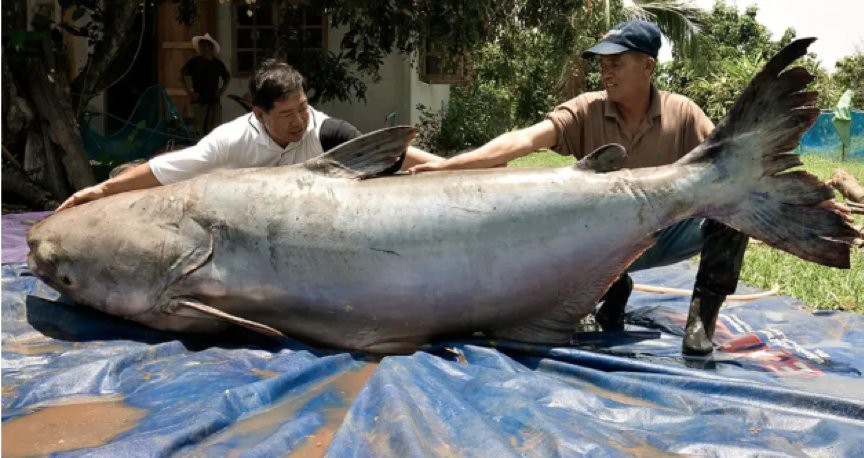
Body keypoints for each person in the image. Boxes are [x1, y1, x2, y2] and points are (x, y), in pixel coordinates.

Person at [410, 20, 747, 355]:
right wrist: (447, 165)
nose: (605, 72)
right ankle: (611, 287)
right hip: (597, 244)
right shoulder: (587, 109)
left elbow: (726, 161)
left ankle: (701, 321)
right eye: (601, 64)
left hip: (664, 233)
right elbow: (524, 139)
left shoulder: (683, 113)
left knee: (733, 207)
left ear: (647, 66)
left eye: (616, 63)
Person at [58, 59, 442, 211]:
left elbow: (391, 154)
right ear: (259, 114)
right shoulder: (229, 141)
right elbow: (165, 169)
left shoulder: (327, 131)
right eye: (287, 114)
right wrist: (100, 191)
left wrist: (452, 166)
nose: (299, 120)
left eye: (303, 107)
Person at [183, 33, 231, 136]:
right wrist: (190, 91)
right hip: (199, 100)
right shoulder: (194, 62)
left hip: (213, 100)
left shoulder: (217, 64)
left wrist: (221, 90)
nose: (202, 48)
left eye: (204, 45)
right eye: (201, 45)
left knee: (213, 129)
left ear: (210, 47)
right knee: (198, 129)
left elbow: (227, 77)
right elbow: (184, 75)